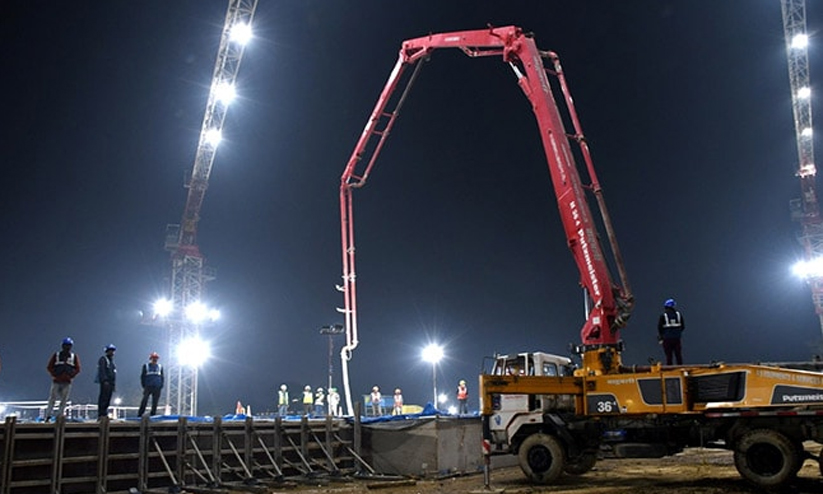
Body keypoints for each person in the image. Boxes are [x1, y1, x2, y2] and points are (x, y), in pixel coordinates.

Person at [45, 337, 81, 421]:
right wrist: (55, 374)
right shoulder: (56, 355)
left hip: (67, 382)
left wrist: (71, 375)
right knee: (52, 399)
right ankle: (48, 415)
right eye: (66, 345)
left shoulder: (73, 357)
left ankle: (60, 416)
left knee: (64, 400)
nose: (67, 347)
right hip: (57, 381)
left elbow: (78, 368)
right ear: (62, 346)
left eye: (69, 345)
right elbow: (49, 366)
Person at [657, 298, 685, 365]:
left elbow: (659, 328)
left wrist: (661, 337)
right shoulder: (678, 315)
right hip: (677, 338)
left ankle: (669, 369)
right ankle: (680, 367)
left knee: (669, 356)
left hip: (667, 339)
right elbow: (683, 326)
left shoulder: (663, 316)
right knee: (678, 355)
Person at [137, 352, 164, 417]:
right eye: (153, 358)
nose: (155, 359)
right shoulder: (146, 366)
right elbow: (142, 376)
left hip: (157, 386)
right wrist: (144, 385)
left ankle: (153, 414)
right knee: (145, 399)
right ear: (150, 359)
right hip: (148, 386)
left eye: (156, 358)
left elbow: (162, 376)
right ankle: (140, 413)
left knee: (155, 401)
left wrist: (161, 385)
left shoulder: (160, 367)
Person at [96, 344, 117, 419]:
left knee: (108, 399)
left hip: (110, 383)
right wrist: (104, 380)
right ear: (107, 351)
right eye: (110, 351)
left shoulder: (112, 363)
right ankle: (101, 414)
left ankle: (104, 413)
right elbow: (102, 370)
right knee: (103, 398)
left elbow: (113, 374)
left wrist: (113, 385)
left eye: (113, 351)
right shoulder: (103, 359)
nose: (112, 353)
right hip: (105, 382)